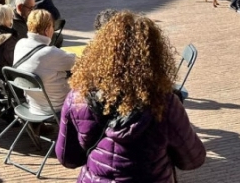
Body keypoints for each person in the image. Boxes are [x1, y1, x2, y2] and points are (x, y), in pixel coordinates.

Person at [56, 11, 206, 181]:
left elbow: (68, 159)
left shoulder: (77, 97)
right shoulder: (164, 103)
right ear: (154, 55)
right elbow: (193, 159)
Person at [12, 9, 75, 115]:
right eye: (53, 27)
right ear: (47, 30)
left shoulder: (20, 44)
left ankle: (36, 127)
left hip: (32, 104)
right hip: (57, 105)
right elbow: (81, 63)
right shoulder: (51, 53)